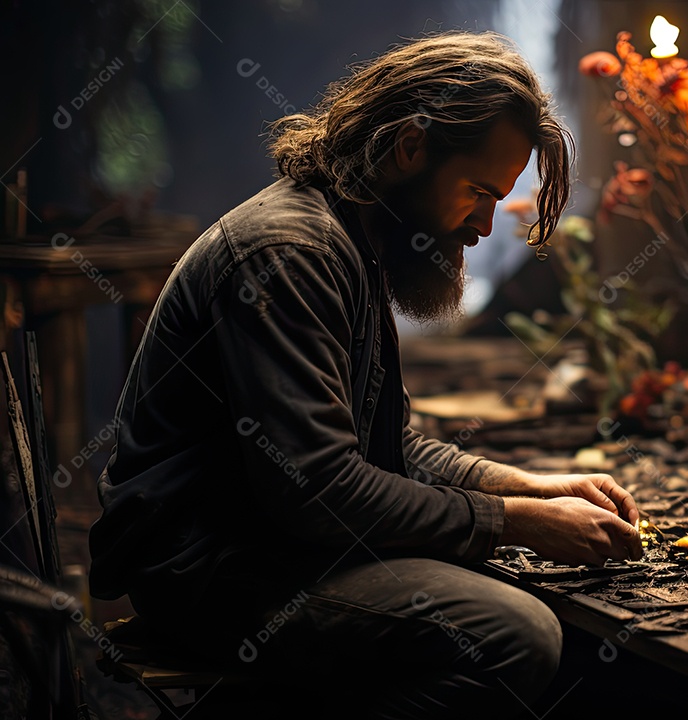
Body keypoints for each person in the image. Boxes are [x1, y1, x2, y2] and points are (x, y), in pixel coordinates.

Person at [88, 30, 643, 719]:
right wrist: (516, 522)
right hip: (210, 568)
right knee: (512, 634)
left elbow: (391, 447)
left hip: (265, 544)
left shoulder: (353, 242)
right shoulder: (291, 253)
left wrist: (530, 487)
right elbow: (321, 491)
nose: (484, 223)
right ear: (410, 146)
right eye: (476, 191)